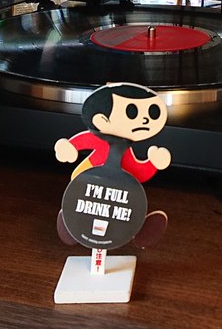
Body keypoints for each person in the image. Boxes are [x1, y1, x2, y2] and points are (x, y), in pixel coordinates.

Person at [54, 82, 171, 248]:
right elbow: (84, 141)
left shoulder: (126, 151)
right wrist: (70, 147)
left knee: (125, 209)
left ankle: (139, 230)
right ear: (101, 119)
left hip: (119, 190)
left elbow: (137, 172)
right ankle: (70, 226)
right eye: (132, 112)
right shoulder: (99, 139)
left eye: (152, 112)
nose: (145, 119)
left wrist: (153, 163)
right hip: (86, 182)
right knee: (81, 205)